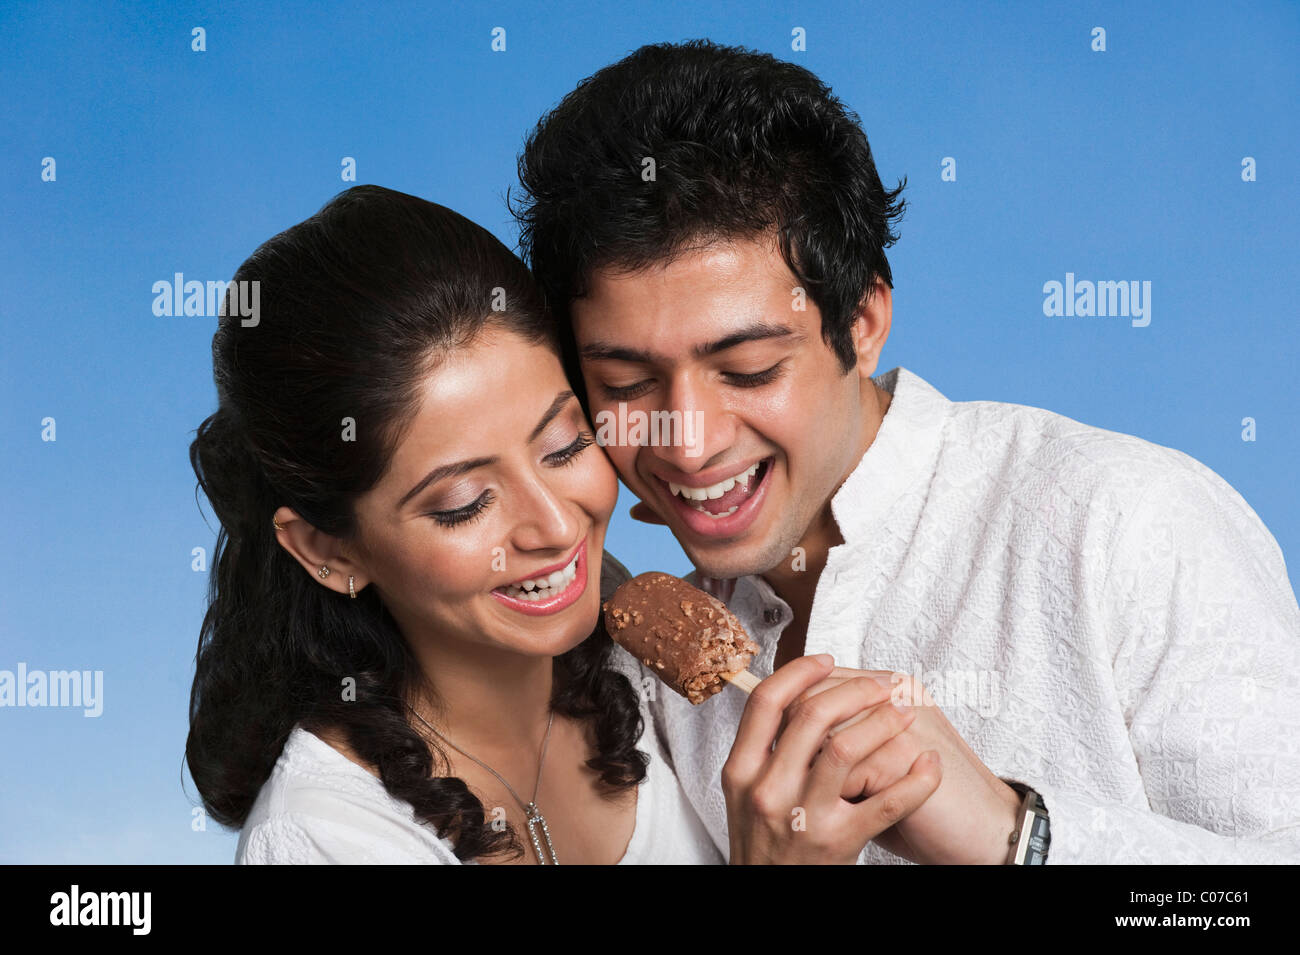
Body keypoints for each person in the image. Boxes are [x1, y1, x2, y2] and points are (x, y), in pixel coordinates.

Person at [512, 39, 1300, 864]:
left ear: (861, 322)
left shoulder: (1126, 523)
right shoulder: (651, 685)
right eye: (629, 383)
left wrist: (1017, 836)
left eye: (747, 369)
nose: (691, 439)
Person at [186, 184, 941, 864]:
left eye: (564, 444)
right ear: (325, 548)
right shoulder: (323, 840)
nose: (554, 524)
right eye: (463, 503)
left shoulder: (645, 677)